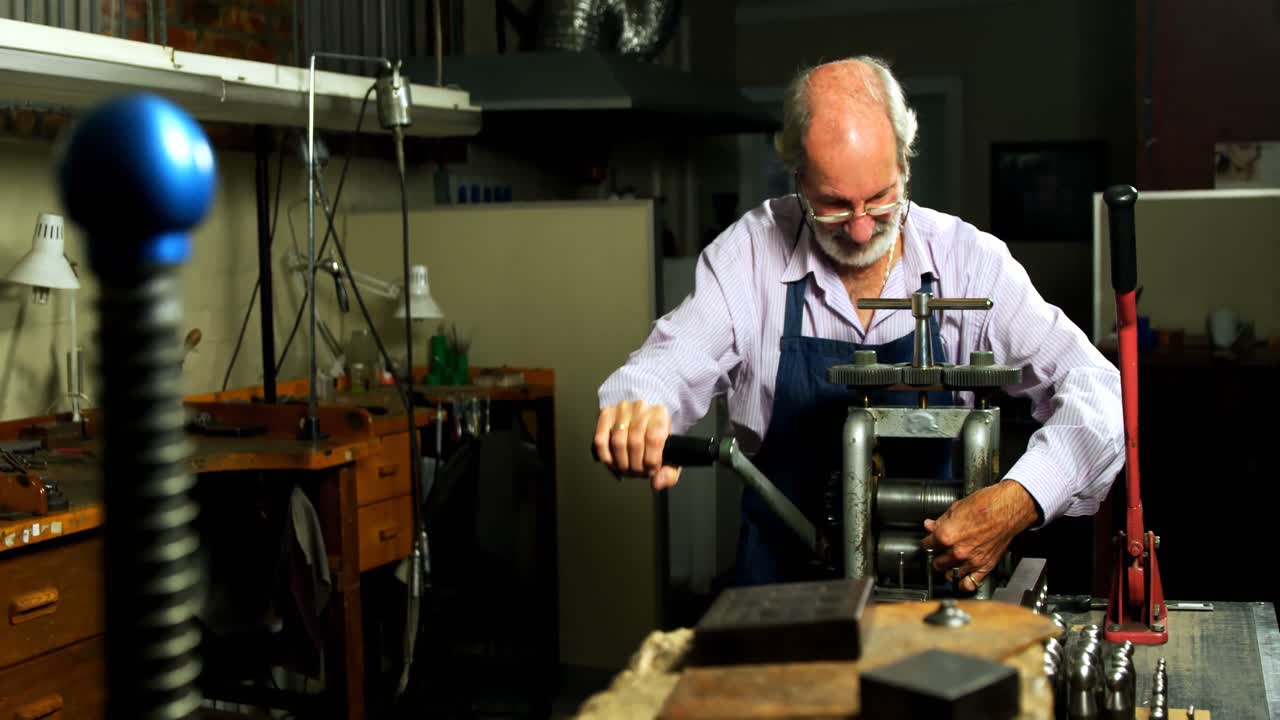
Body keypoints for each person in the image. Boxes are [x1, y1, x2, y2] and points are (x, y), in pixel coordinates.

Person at [592, 56, 1123, 589]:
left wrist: (1021, 497)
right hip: (781, 593)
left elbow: (1100, 393)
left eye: (880, 199)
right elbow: (666, 365)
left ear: (906, 163)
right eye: (834, 207)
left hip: (936, 600)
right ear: (796, 175)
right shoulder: (748, 257)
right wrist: (638, 412)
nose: (863, 231)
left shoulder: (971, 262)